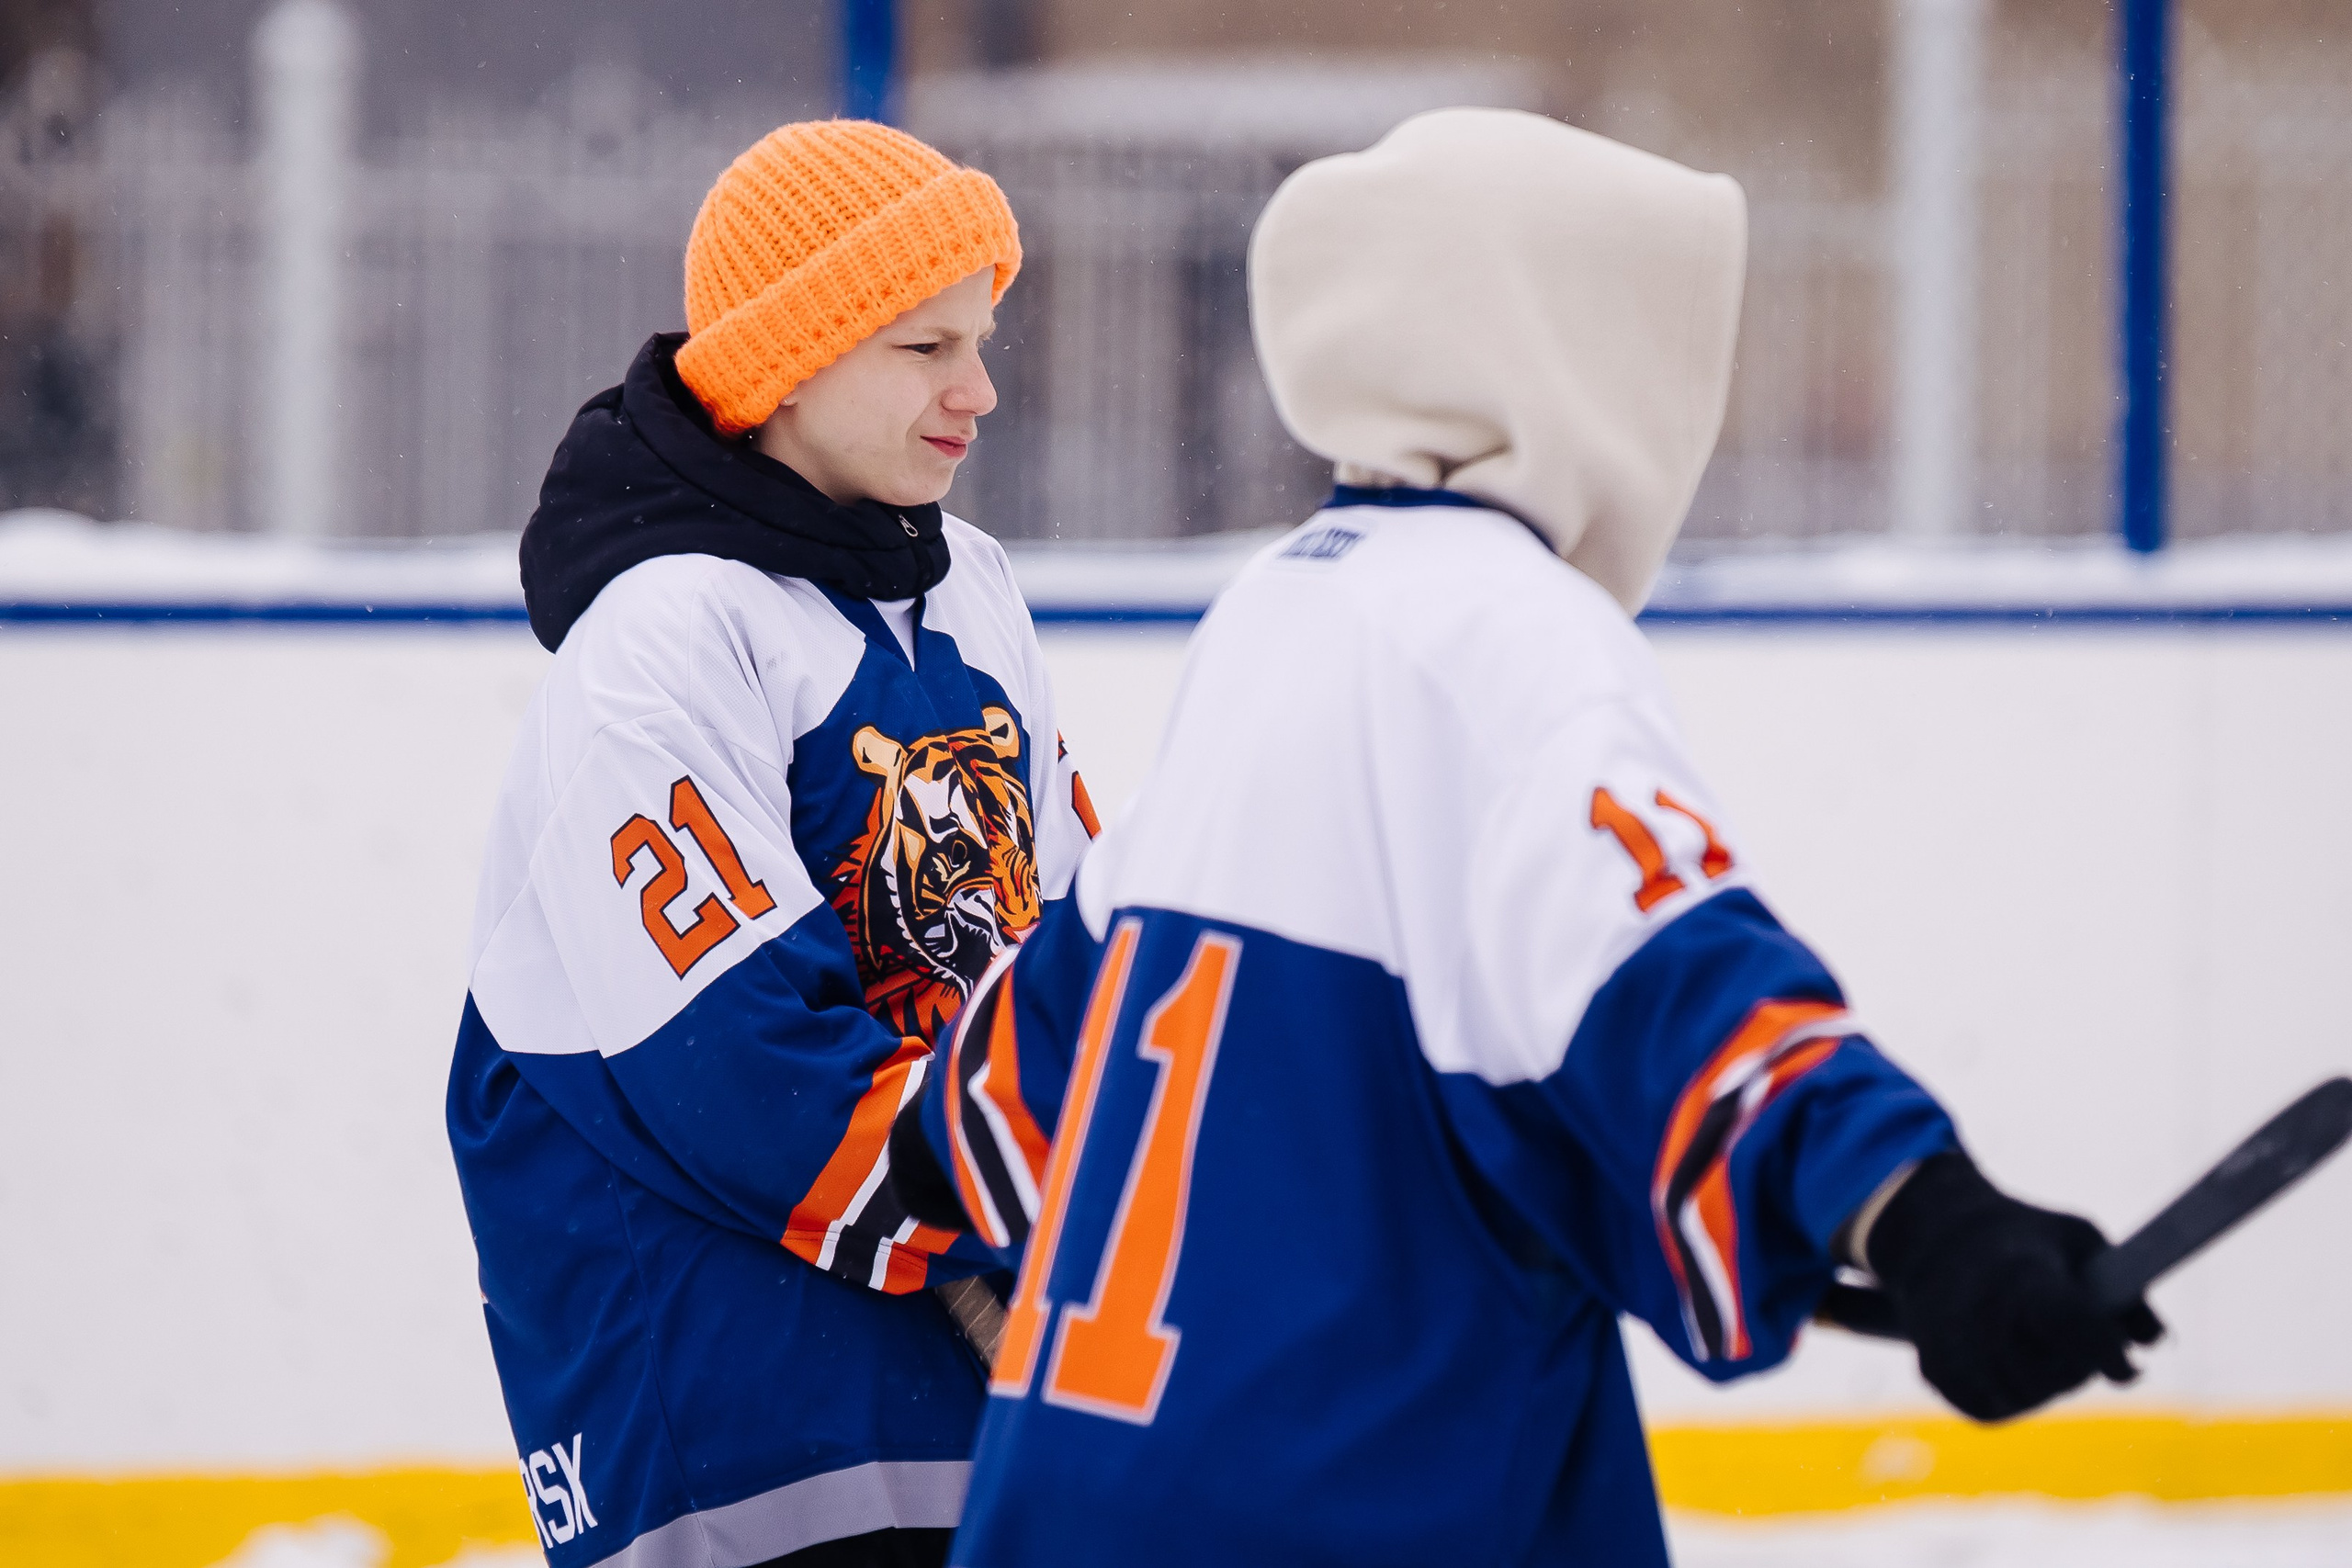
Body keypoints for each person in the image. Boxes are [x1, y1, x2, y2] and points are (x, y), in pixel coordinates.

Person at [885, 108, 2162, 1565]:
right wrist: (1926, 1218)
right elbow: (1677, 985)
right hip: (1348, 1503)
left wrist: (943, 1144)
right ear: (1577, 363)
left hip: (1078, 1502)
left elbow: (1049, 1035)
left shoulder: (1281, 608)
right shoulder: (1508, 634)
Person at [446, 119, 1095, 1568]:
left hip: (968, 1404)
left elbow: (1066, 948)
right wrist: (1008, 1208)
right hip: (749, 1433)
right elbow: (739, 1070)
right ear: (791, 358)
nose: (980, 391)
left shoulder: (973, 587)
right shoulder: (666, 634)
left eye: (981, 343)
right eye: (926, 348)